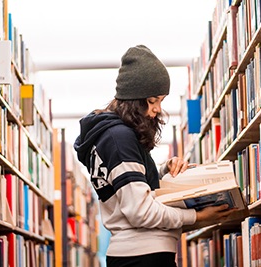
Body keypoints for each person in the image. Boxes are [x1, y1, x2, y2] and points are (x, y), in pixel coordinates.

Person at [74, 45, 235, 267]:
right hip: (143, 256)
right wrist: (197, 218)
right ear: (134, 98)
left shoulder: (110, 136)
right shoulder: (119, 138)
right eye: (153, 100)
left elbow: (130, 188)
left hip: (138, 255)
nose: (158, 109)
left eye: (161, 100)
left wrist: (164, 170)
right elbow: (140, 211)